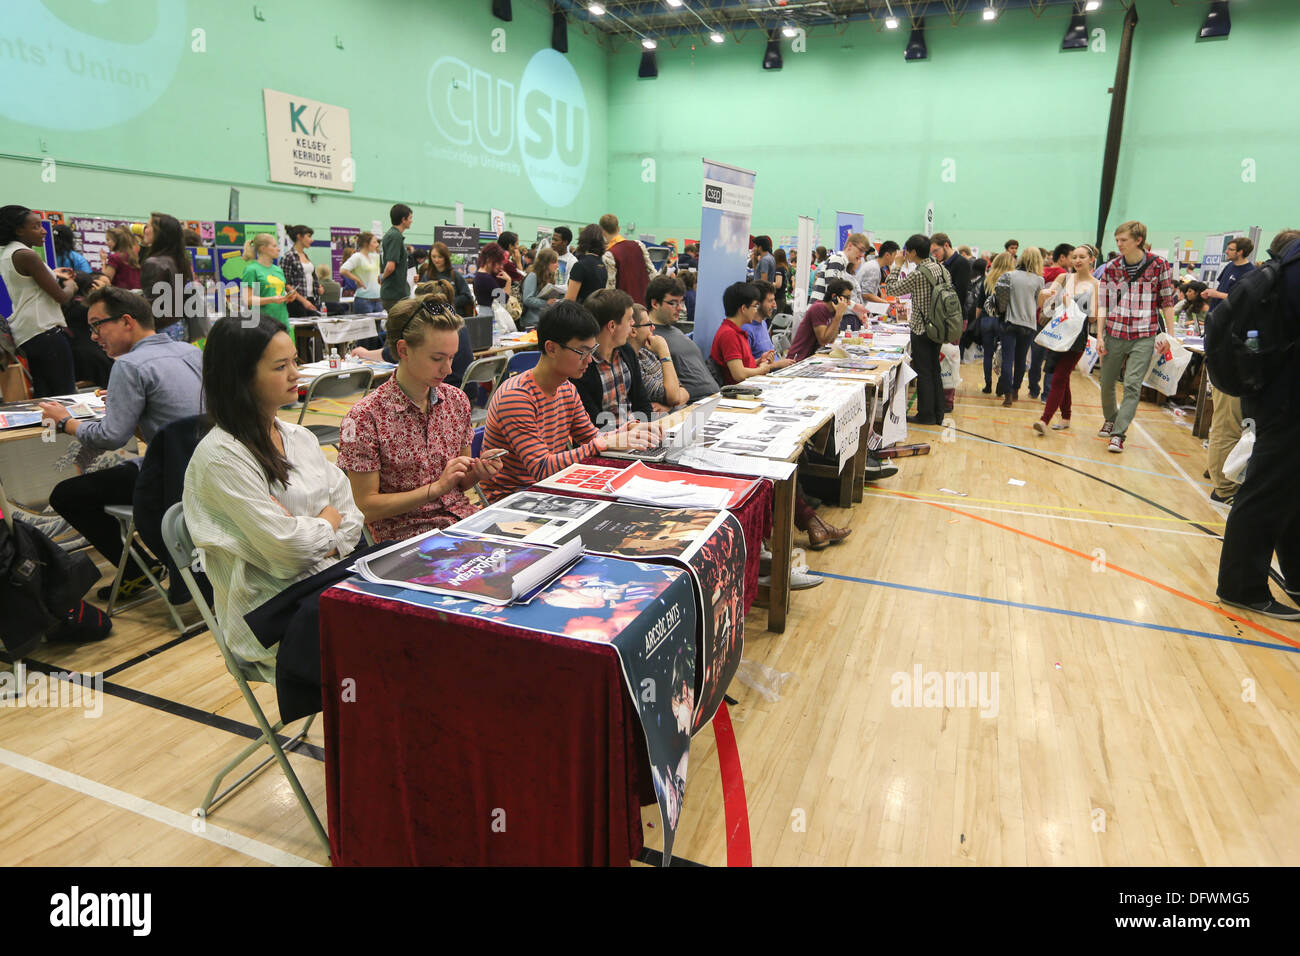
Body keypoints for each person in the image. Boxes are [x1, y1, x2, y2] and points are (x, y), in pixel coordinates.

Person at [183, 314, 365, 675]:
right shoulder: (222, 458)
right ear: (241, 377)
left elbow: (353, 518)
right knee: (396, 652)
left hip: (326, 583)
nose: (296, 373)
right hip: (269, 616)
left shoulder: (300, 437)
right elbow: (288, 551)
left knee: (415, 627)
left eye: (295, 361)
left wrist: (310, 532)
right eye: (281, 366)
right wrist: (326, 523)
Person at [41, 287, 203, 601]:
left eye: (97, 325)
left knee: (66, 494)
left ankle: (135, 572)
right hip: (204, 468)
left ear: (127, 321)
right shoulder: (190, 352)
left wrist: (65, 422)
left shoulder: (128, 366)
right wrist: (124, 400)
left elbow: (111, 437)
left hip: (172, 480)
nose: (92, 336)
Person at [338, 297, 501, 543]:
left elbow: (459, 483)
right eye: (437, 359)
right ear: (403, 350)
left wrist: (478, 472)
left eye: (452, 357)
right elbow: (365, 507)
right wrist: (434, 489)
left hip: (463, 522)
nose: (448, 369)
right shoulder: (365, 418)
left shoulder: (456, 401)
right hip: (408, 538)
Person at [480, 301, 657, 501]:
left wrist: (626, 431)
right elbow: (541, 468)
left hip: (547, 487)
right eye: (582, 352)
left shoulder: (567, 389)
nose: (589, 360)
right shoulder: (517, 397)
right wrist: (604, 442)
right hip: (514, 498)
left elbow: (591, 437)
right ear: (552, 348)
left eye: (592, 351)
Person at [1216, 228, 1300, 620]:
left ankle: (1295, 576)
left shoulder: (1286, 266)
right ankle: (1241, 587)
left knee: (1286, 490)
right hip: (1287, 400)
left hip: (1274, 392)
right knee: (1267, 491)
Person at [1097, 220, 1177, 453]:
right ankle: (1111, 418)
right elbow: (1103, 303)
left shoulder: (1159, 264)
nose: (1119, 244)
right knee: (1106, 382)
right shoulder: (1112, 267)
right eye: (1117, 240)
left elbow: (1167, 301)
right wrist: (1100, 336)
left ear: (1138, 240)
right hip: (1114, 332)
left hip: (1145, 334)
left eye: (1124, 240)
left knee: (1132, 385)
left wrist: (1170, 337)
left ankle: (1118, 434)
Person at [0, 205, 78, 396]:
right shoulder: (27, 255)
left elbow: (30, 283)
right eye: (36, 227)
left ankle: (51, 427)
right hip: (46, 331)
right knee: (65, 395)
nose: (44, 230)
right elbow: (61, 296)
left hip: (30, 333)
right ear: (19, 230)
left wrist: (53, 274)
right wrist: (72, 286)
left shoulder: (8, 253)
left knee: (45, 397)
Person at [1032, 245, 1100, 436]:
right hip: (1058, 333)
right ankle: (1066, 417)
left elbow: (1093, 318)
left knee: (1059, 377)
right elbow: (1045, 305)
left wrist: (1074, 306)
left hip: (1077, 338)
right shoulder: (1063, 278)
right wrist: (1044, 296)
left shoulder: (1096, 285)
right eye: (1075, 257)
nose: (1077, 260)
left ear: (1091, 259)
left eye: (1082, 257)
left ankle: (1044, 420)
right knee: (1061, 377)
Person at [884, 234, 951, 425]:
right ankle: (938, 413)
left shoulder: (918, 273)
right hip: (939, 326)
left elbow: (891, 289)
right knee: (934, 369)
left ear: (912, 252)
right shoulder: (941, 268)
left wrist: (896, 265)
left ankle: (926, 414)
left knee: (923, 371)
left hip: (921, 328)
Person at [572, 288, 652, 427]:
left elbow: (642, 403)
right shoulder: (582, 366)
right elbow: (591, 425)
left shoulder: (626, 352)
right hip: (605, 443)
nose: (633, 323)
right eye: (629, 319)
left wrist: (647, 430)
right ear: (612, 326)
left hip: (634, 436)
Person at [646, 275, 717, 401]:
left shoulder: (677, 332)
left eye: (681, 302)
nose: (680, 308)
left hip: (714, 399)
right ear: (655, 303)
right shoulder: (649, 337)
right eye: (672, 303)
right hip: (691, 404)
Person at [991, 246, 1045, 408]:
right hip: (1028, 324)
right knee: (1021, 361)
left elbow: (999, 298)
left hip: (1009, 322)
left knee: (1008, 359)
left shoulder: (1009, 276)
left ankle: (1007, 395)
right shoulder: (1039, 280)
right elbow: (1039, 304)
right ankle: (1015, 391)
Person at [710, 282, 793, 384]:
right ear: (744, 309)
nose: (755, 311)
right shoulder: (729, 335)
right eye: (754, 307)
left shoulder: (736, 332)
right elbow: (739, 374)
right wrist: (761, 370)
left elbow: (741, 364)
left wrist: (759, 361)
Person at [140, 211, 196, 341]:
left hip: (160, 329)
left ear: (158, 232)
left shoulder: (155, 263)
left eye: (147, 226)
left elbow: (152, 304)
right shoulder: (179, 260)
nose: (144, 230)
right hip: (178, 325)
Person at [630, 304, 688, 412]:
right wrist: (664, 352)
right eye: (649, 324)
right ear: (633, 331)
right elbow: (674, 396)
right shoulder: (631, 364)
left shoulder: (647, 354)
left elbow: (684, 392)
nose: (653, 328)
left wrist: (668, 407)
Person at [63, 271, 115, 388]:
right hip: (91, 354)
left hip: (78, 350)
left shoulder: (70, 303)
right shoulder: (86, 307)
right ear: (91, 286)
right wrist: (103, 295)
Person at [810, 232, 871, 327]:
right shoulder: (837, 260)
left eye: (864, 252)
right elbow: (833, 294)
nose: (862, 255)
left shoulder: (841, 263)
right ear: (850, 245)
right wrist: (855, 307)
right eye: (861, 250)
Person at [787, 278, 854, 363]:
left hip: (812, 357)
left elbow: (831, 340)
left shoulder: (833, 311)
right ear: (834, 297)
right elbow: (823, 341)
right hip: (798, 359)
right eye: (846, 298)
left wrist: (838, 316)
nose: (848, 303)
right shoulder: (818, 309)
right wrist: (838, 317)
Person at [240, 233, 295, 334]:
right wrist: (272, 299)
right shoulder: (251, 270)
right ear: (263, 248)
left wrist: (288, 297)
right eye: (274, 246)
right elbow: (247, 299)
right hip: (263, 324)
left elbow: (278, 294)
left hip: (282, 320)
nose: (278, 249)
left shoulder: (278, 270)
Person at [978, 252, 1016, 393]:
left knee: (987, 354)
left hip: (987, 319)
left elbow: (980, 304)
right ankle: (1002, 383)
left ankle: (988, 385)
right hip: (1005, 320)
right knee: (1006, 354)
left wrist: (977, 321)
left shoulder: (987, 279)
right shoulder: (1012, 279)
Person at [600, 213, 656, 307]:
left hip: (624, 307)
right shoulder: (639, 245)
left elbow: (610, 287)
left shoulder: (609, 255)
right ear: (618, 229)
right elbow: (653, 274)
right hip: (645, 304)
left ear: (602, 231)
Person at [1202, 236, 1255, 312]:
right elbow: (1222, 288)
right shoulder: (1229, 265)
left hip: (1229, 317)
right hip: (1215, 313)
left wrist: (1216, 294)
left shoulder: (1250, 272)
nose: (1226, 252)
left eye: (1230, 249)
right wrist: (1210, 292)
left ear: (1240, 252)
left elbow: (1241, 298)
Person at [420, 241, 474, 315]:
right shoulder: (427, 276)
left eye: (440, 257)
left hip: (454, 319)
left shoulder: (455, 275)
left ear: (446, 257)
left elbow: (467, 296)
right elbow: (421, 297)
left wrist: (449, 303)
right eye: (433, 256)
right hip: (434, 319)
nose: (436, 260)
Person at [280, 225, 321, 318]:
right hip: (296, 302)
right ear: (299, 236)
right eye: (309, 236)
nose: (312, 240)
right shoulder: (288, 256)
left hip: (311, 299)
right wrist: (303, 301)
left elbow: (310, 277)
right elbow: (285, 283)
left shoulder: (305, 255)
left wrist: (318, 287)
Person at [340, 231, 384, 314]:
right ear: (366, 244)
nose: (377, 244)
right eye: (374, 242)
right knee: (366, 326)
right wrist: (357, 280)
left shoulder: (375, 257)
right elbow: (343, 270)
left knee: (378, 326)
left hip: (378, 299)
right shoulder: (357, 257)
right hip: (364, 300)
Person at [521, 247, 563, 330]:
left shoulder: (550, 276)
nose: (557, 265)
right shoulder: (533, 276)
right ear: (545, 263)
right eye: (554, 262)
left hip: (544, 320)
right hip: (531, 322)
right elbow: (527, 299)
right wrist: (546, 302)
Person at [380, 203, 413, 311]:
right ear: (403, 219)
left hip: (396, 294)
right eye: (410, 218)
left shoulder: (392, 235)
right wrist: (382, 277)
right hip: (395, 295)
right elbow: (390, 267)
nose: (411, 221)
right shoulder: (395, 236)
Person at [565, 223, 608, 304]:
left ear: (583, 239)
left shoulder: (580, 265)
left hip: (581, 312)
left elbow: (570, 300)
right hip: (596, 312)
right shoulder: (602, 265)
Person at [472, 242, 512, 317]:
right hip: (490, 317)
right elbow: (503, 299)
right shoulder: (486, 278)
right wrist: (508, 281)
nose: (501, 267)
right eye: (499, 263)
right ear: (489, 259)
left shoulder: (479, 275)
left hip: (484, 314)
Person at [858, 240, 900, 306]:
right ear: (887, 255)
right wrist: (885, 303)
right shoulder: (874, 268)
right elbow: (866, 294)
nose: (895, 259)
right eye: (894, 255)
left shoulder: (874, 265)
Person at [745, 279, 779, 358]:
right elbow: (748, 366)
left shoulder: (763, 323)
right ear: (757, 304)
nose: (774, 305)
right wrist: (779, 364)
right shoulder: (746, 330)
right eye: (770, 301)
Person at [102, 225, 141, 290]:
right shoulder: (134, 255)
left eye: (108, 240)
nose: (106, 243)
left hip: (121, 294)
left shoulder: (114, 258)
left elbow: (105, 280)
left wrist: (103, 261)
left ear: (116, 241)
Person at [772, 248, 791, 314]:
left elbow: (778, 284)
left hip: (778, 298)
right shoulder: (785, 268)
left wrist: (767, 282)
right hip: (782, 297)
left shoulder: (779, 269)